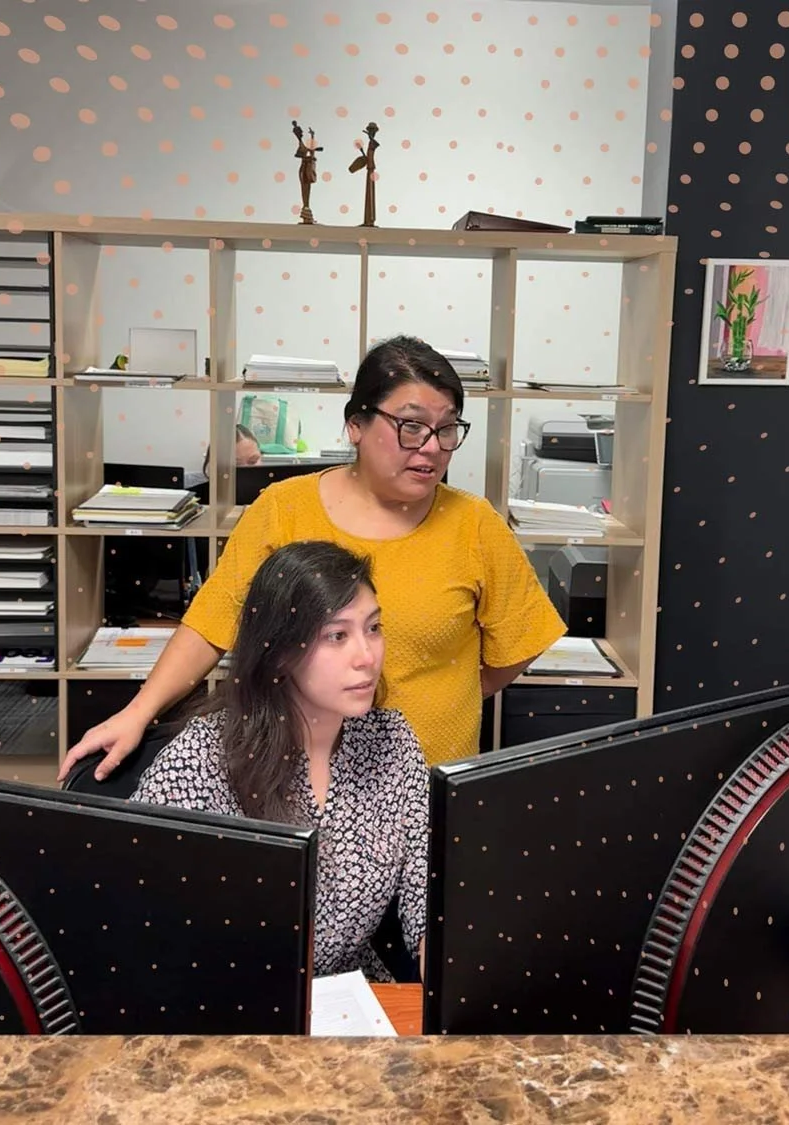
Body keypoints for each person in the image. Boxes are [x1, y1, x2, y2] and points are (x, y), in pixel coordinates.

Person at [61, 334, 564, 778]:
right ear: (356, 426)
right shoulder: (284, 510)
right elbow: (212, 621)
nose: (431, 448)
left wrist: (444, 695)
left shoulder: (474, 525)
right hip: (294, 771)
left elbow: (520, 640)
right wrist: (138, 711)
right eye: (411, 427)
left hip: (427, 775)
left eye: (447, 429)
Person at [130, 541, 424, 980]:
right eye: (337, 636)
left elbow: (428, 888)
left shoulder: (392, 741)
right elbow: (134, 908)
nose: (367, 657)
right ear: (281, 651)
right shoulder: (204, 757)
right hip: (228, 1000)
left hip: (351, 1000)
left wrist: (449, 959)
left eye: (374, 628)